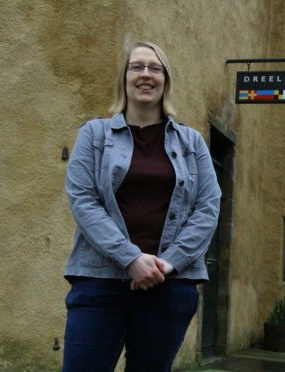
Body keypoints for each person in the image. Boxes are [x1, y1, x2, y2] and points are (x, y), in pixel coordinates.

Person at [62, 41, 221, 372]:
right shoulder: (93, 135)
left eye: (155, 68)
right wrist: (131, 259)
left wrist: (167, 264)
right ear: (124, 78)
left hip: (169, 287)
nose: (146, 74)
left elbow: (207, 208)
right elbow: (83, 201)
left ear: (166, 81)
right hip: (99, 281)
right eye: (137, 67)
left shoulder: (192, 143)